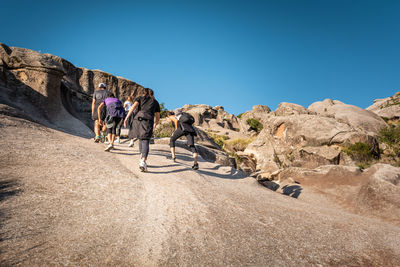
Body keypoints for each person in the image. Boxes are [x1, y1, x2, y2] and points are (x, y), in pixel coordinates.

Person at [124, 88, 160, 172]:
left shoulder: (140, 98)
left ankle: (141, 158)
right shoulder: (155, 102)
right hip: (148, 120)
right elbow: (157, 116)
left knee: (140, 137)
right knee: (145, 140)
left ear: (143, 93)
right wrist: (155, 123)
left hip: (138, 119)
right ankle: (143, 160)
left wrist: (126, 118)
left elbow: (133, 107)